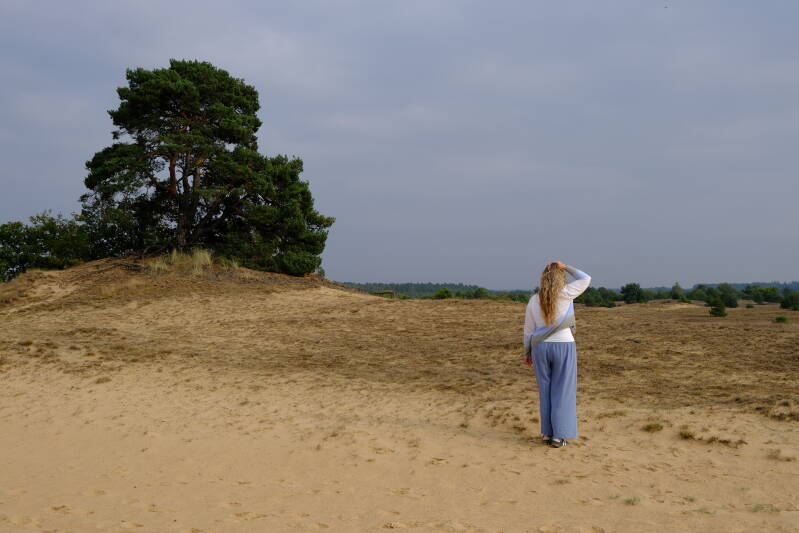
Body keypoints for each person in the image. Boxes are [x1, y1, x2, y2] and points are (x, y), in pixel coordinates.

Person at [523, 261, 591, 448]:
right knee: (562, 391)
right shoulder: (566, 294)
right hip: (564, 345)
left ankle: (546, 433)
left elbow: (528, 330)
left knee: (545, 391)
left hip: (540, 348)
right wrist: (565, 266)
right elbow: (586, 279)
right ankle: (559, 436)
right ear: (560, 279)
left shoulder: (533, 300)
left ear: (543, 279)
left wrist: (527, 351)